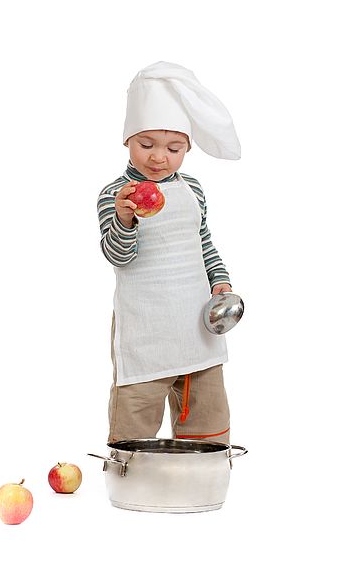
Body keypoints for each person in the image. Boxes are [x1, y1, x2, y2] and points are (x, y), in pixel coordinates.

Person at [97, 61, 241, 445]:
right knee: (136, 417)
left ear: (188, 148)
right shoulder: (117, 195)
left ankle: (201, 477)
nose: (159, 157)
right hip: (147, 330)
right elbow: (118, 257)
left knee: (207, 414)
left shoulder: (192, 189)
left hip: (198, 328)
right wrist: (125, 219)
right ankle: (132, 478)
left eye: (174, 148)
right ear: (127, 139)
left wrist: (221, 281)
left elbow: (203, 242)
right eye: (147, 144)